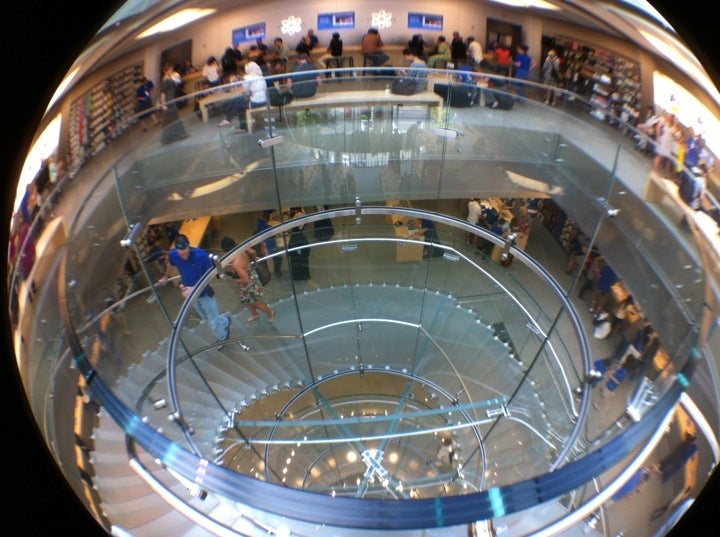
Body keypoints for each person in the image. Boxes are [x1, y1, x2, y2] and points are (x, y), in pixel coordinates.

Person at [158, 234, 230, 342]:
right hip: (190, 295)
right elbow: (170, 265)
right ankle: (225, 321)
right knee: (205, 317)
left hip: (204, 292)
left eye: (186, 253)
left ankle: (223, 337)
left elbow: (211, 275)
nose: (184, 257)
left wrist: (194, 288)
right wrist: (165, 277)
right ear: (176, 250)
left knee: (213, 321)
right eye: (181, 254)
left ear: (189, 246)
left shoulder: (201, 256)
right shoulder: (173, 254)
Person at [220, 237, 276, 323]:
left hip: (249, 285)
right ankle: (255, 314)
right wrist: (254, 258)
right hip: (251, 275)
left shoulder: (236, 264)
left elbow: (246, 280)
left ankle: (271, 312)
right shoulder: (241, 248)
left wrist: (230, 279)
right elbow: (252, 252)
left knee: (256, 303)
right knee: (247, 300)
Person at [218, 61, 267, 132]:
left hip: (255, 102)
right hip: (264, 101)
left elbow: (244, 87)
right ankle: (241, 126)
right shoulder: (261, 77)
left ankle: (228, 119)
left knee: (237, 101)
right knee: (239, 102)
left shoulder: (248, 77)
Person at [159, 62, 190, 144]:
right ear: (167, 70)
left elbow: (177, 83)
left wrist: (177, 78)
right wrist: (163, 105)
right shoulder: (166, 80)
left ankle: (169, 138)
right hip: (169, 102)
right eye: (170, 70)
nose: (171, 71)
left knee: (171, 120)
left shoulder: (168, 78)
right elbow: (163, 93)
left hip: (171, 100)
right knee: (172, 119)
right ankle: (179, 135)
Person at [256, 210, 283, 276]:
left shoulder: (260, 222)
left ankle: (275, 270)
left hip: (269, 241)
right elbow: (267, 232)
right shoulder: (261, 224)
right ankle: (277, 271)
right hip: (268, 242)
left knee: (277, 257)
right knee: (278, 257)